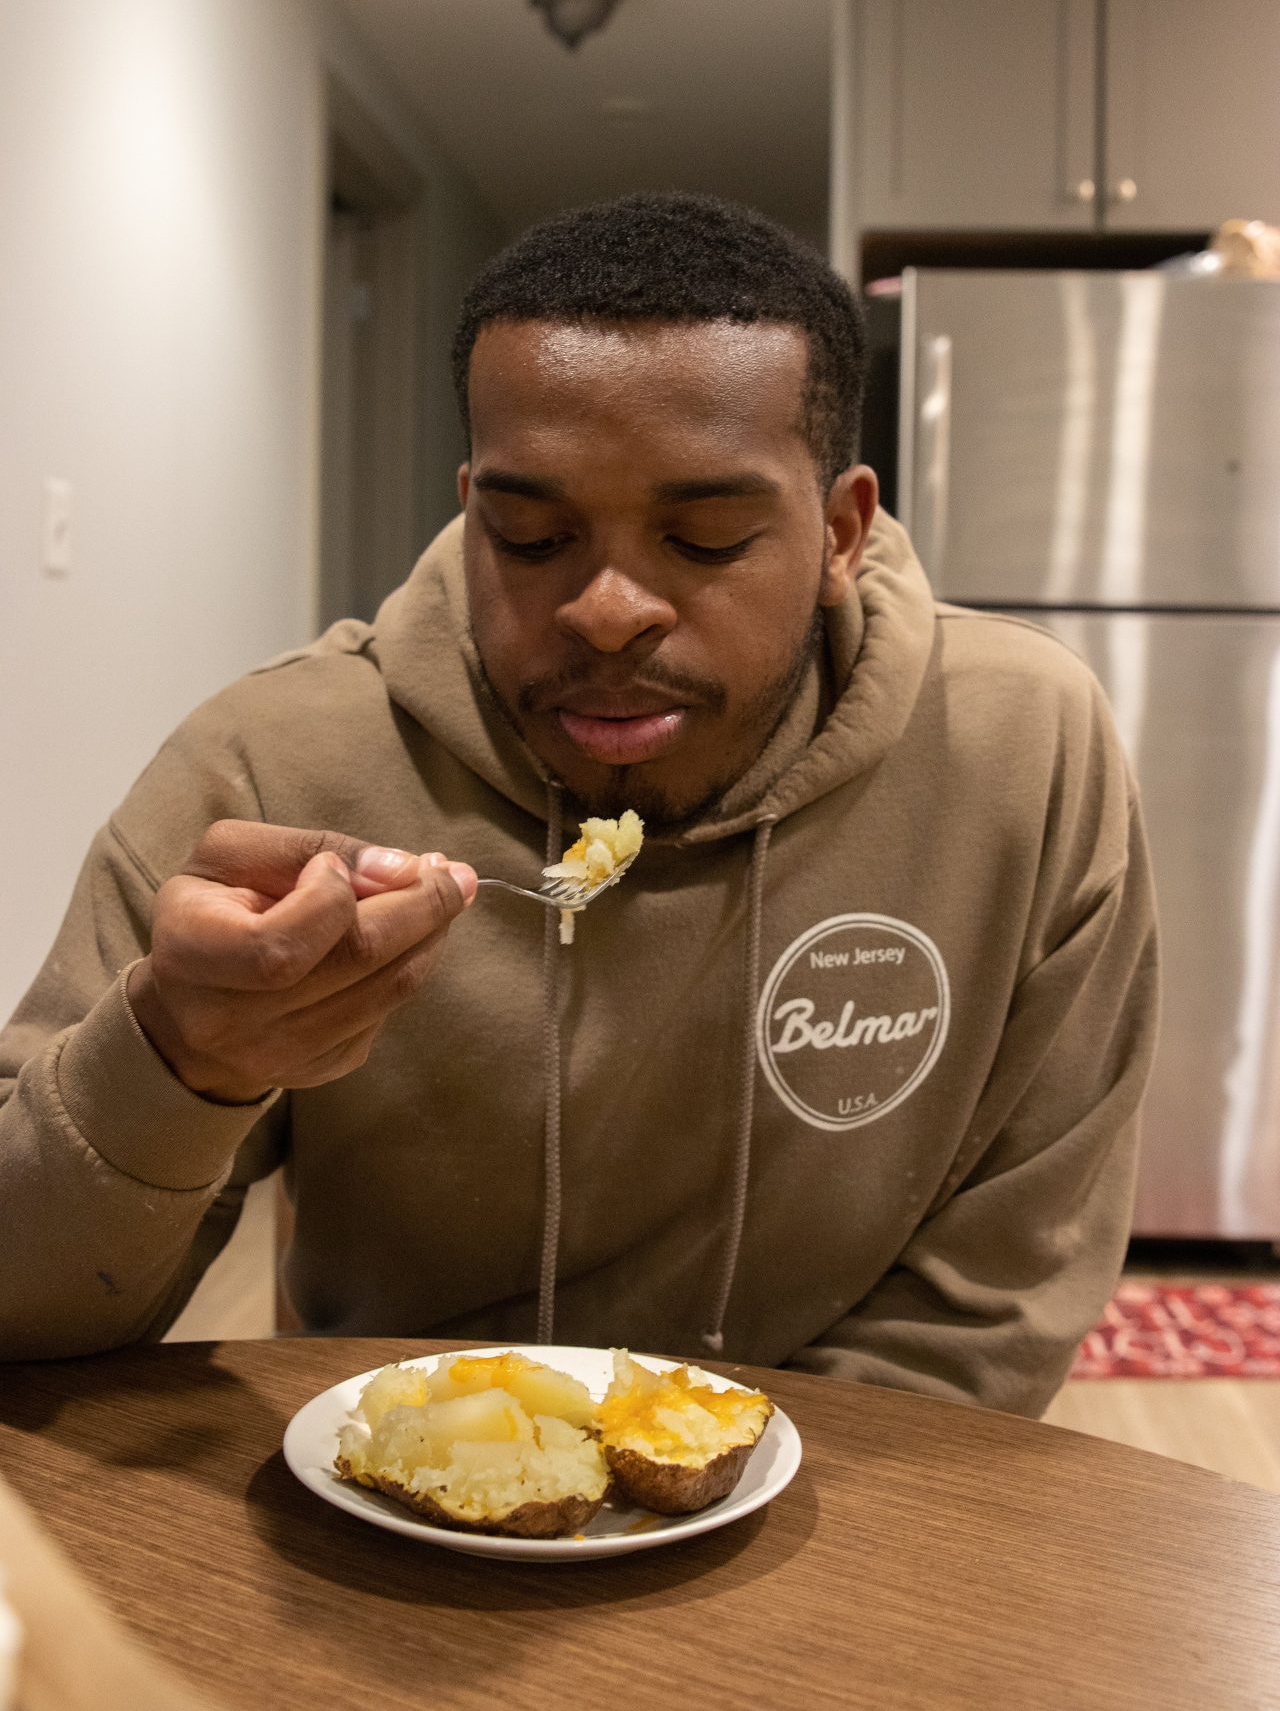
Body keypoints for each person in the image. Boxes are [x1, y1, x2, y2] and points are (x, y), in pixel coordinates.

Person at [0, 193, 1158, 1412]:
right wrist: (177, 1065)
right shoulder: (277, 766)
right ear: (466, 508)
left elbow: (995, 1298)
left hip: (842, 1512)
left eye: (704, 538)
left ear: (837, 533)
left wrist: (724, 1503)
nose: (607, 611)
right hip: (394, 1513)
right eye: (529, 534)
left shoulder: (1021, 752)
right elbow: (23, 1307)